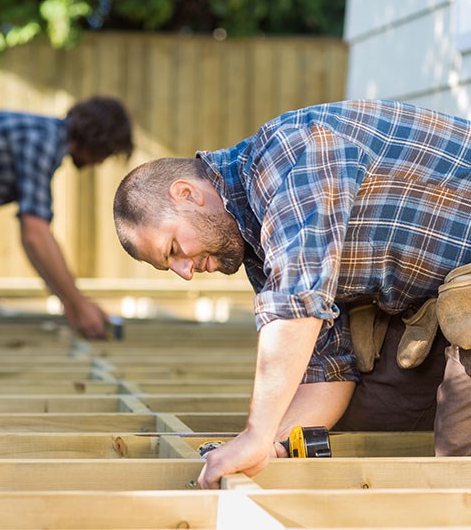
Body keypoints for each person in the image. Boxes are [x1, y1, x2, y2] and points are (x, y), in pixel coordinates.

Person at [113, 99, 471, 487]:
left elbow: (298, 302)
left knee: (455, 466)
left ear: (187, 194)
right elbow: (329, 372)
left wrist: (255, 433)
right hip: (439, 301)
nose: (184, 272)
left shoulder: (288, 155)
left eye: (173, 250)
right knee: (365, 425)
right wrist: (273, 444)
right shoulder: (260, 251)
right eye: (171, 266)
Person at [0, 96, 133, 338]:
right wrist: (77, 304)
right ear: (98, 141)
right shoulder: (42, 140)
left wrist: (73, 303)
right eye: (106, 153)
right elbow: (35, 235)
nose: (100, 162)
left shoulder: (45, 137)